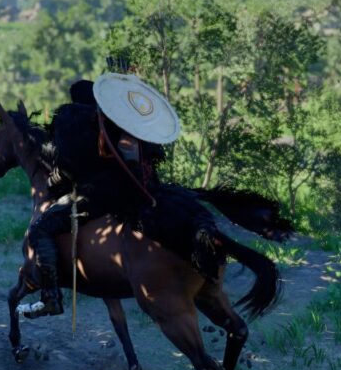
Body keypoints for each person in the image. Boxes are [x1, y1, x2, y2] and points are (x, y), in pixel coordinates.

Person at [25, 68, 220, 319]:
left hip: (103, 196)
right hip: (145, 188)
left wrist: (56, 180)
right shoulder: (124, 124)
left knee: (40, 229)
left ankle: (51, 296)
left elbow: (75, 168)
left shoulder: (82, 126)